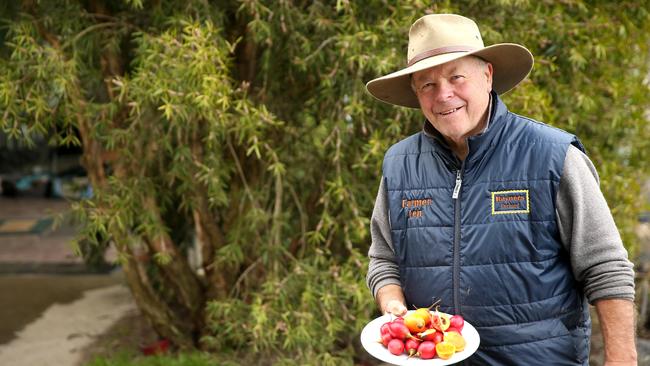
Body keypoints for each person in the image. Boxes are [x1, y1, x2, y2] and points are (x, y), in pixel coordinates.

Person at [365, 14, 637, 365]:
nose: (443, 94)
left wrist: (622, 360)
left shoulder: (552, 156)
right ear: (416, 93)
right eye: (427, 84)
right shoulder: (399, 164)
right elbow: (383, 258)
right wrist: (393, 306)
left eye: (456, 77)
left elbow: (606, 268)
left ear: (488, 75)